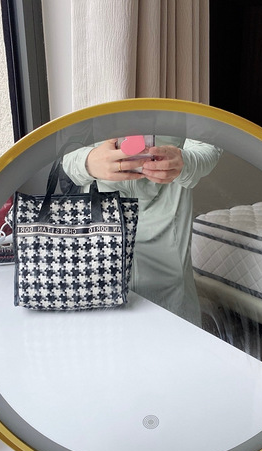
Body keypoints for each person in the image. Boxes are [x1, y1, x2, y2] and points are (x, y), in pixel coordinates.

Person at [62, 136, 222, 325]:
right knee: (104, 321)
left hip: (168, 206)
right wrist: (88, 161)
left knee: (172, 321)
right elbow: (64, 150)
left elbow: (209, 142)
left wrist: (184, 162)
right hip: (101, 207)